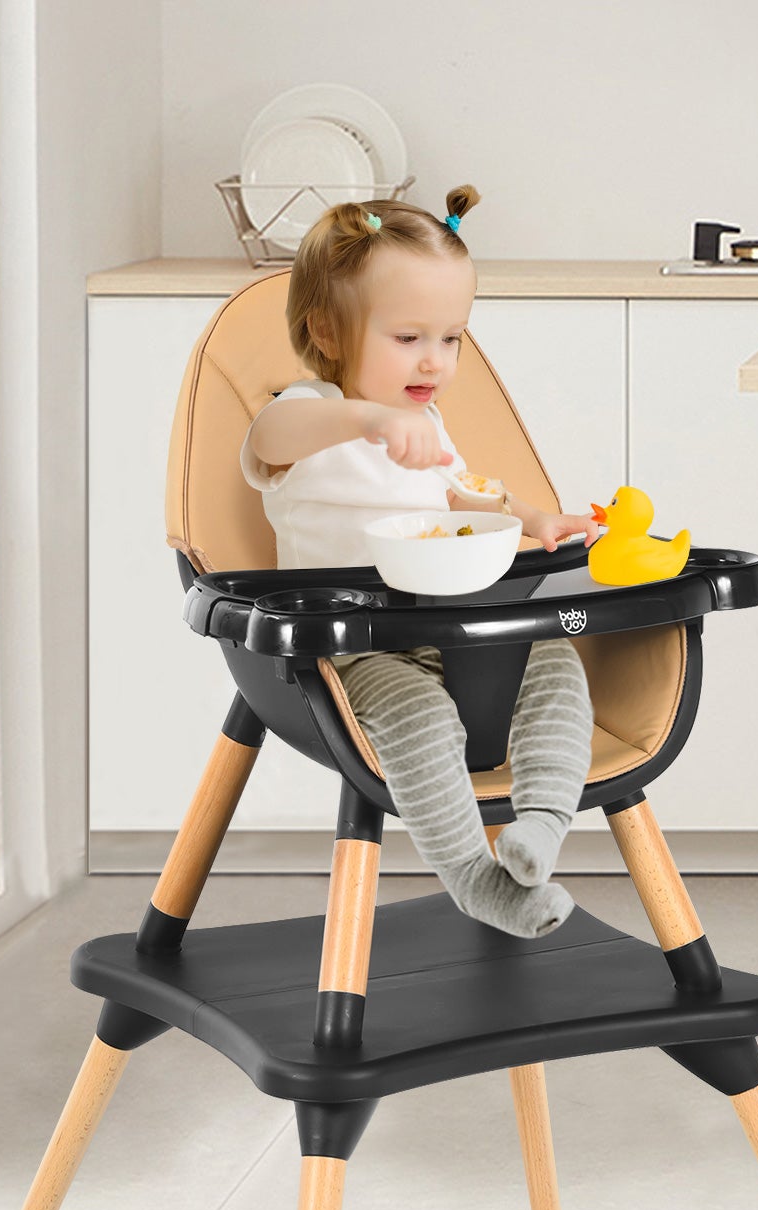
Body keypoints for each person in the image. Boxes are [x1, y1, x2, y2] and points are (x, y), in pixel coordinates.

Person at [241, 187, 600, 940]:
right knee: (419, 717)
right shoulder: (306, 416)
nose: (435, 362)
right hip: (356, 649)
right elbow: (271, 436)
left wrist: (533, 519)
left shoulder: (428, 425)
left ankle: (539, 823)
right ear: (328, 332)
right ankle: (475, 878)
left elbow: (468, 495)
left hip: (456, 629)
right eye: (409, 338)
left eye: (453, 339)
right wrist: (369, 418)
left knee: (555, 661)